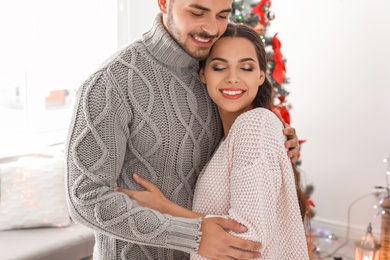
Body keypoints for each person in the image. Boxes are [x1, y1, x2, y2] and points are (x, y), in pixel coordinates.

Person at [65, 0, 300, 259]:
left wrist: (279, 142)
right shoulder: (111, 83)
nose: (211, 28)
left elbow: (236, 150)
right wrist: (193, 235)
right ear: (164, 3)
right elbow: (85, 199)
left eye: (222, 15)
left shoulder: (214, 69)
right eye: (197, 12)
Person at [116, 23, 309, 259]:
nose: (232, 79)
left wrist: (164, 208)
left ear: (261, 76)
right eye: (219, 67)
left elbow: (246, 239)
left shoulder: (254, 125)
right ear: (203, 74)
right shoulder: (225, 135)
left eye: (246, 68)